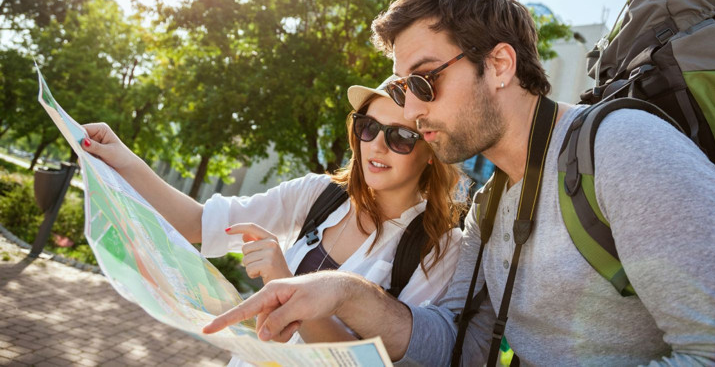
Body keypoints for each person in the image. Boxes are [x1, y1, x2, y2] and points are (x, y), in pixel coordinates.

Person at [202, 0, 715, 366]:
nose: (409, 109)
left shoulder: (623, 149)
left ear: (500, 65)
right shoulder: (491, 204)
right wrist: (342, 293)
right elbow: (461, 342)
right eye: (399, 87)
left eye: (423, 81)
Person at [80, 78, 464, 353]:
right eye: (369, 128)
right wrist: (122, 158)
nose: (378, 146)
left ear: (430, 150)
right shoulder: (320, 194)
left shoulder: (439, 248)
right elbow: (198, 223)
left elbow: (366, 362)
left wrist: (284, 284)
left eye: (400, 137)